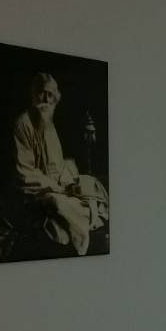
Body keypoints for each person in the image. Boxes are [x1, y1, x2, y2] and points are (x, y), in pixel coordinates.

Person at [13, 73, 108, 255]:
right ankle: (80, 237)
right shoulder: (22, 124)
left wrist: (70, 183)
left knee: (91, 191)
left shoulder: (48, 124)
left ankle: (83, 222)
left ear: (55, 99)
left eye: (50, 94)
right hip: (36, 193)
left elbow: (57, 166)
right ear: (33, 95)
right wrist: (57, 187)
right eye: (41, 93)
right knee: (58, 203)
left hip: (59, 188)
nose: (45, 99)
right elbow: (25, 173)